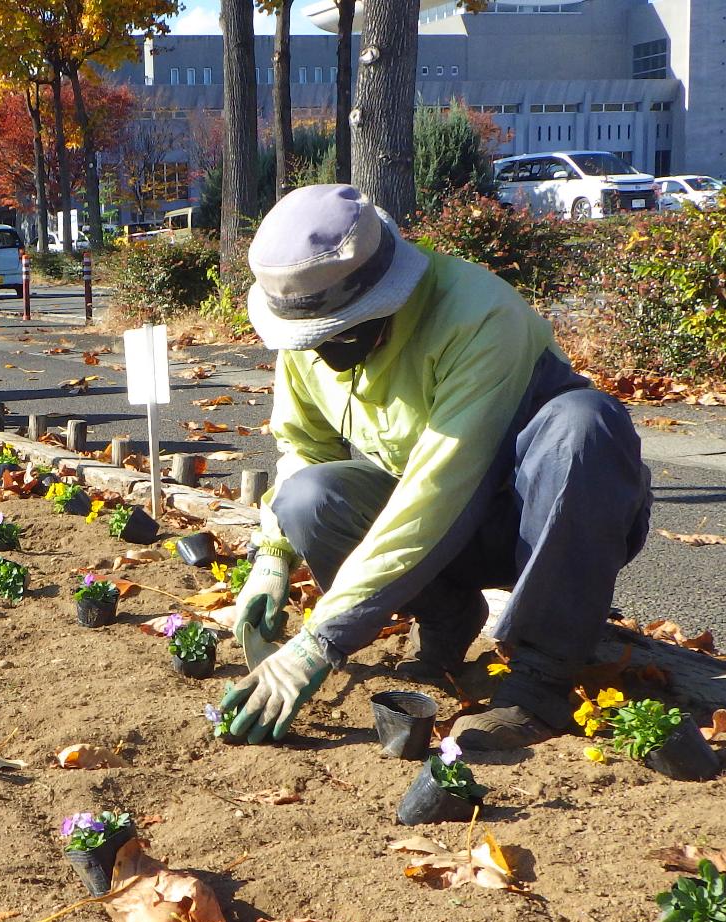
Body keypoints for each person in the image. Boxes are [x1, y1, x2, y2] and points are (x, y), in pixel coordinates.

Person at [221, 184, 652, 753]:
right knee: (308, 496)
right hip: (441, 525)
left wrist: (319, 642)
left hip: (537, 517)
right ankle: (448, 615)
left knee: (582, 423)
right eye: (312, 338)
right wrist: (273, 557)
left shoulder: (476, 315)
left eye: (336, 333)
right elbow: (304, 446)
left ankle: (541, 679)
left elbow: (440, 488)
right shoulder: (311, 326)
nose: (321, 350)